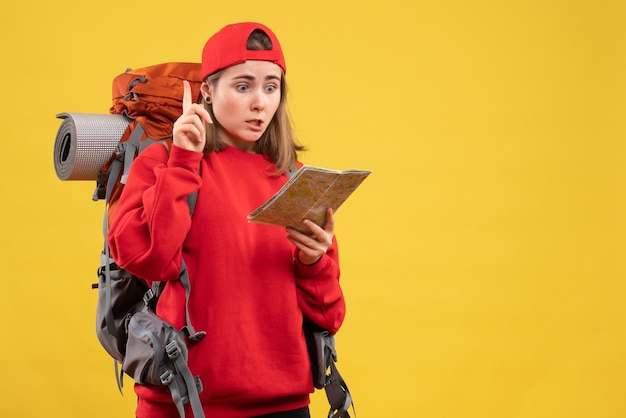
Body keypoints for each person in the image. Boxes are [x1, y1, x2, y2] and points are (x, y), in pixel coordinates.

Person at [107, 22, 346, 418]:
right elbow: (149, 258)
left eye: (271, 87)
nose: (260, 103)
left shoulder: (294, 179)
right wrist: (185, 159)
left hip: (285, 405)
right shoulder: (164, 161)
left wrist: (313, 262)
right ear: (207, 91)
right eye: (242, 86)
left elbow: (330, 316)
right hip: (185, 404)